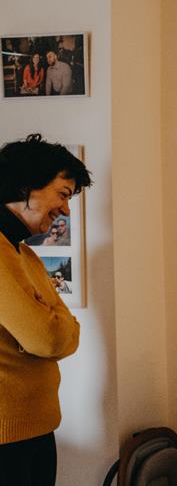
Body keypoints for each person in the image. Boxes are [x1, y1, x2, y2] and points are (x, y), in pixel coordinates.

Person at [0, 134, 92, 485]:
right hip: (7, 438)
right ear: (27, 186)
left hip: (36, 429)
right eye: (63, 194)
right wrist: (52, 320)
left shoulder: (26, 255)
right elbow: (50, 338)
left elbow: (64, 328)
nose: (66, 210)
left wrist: (54, 321)